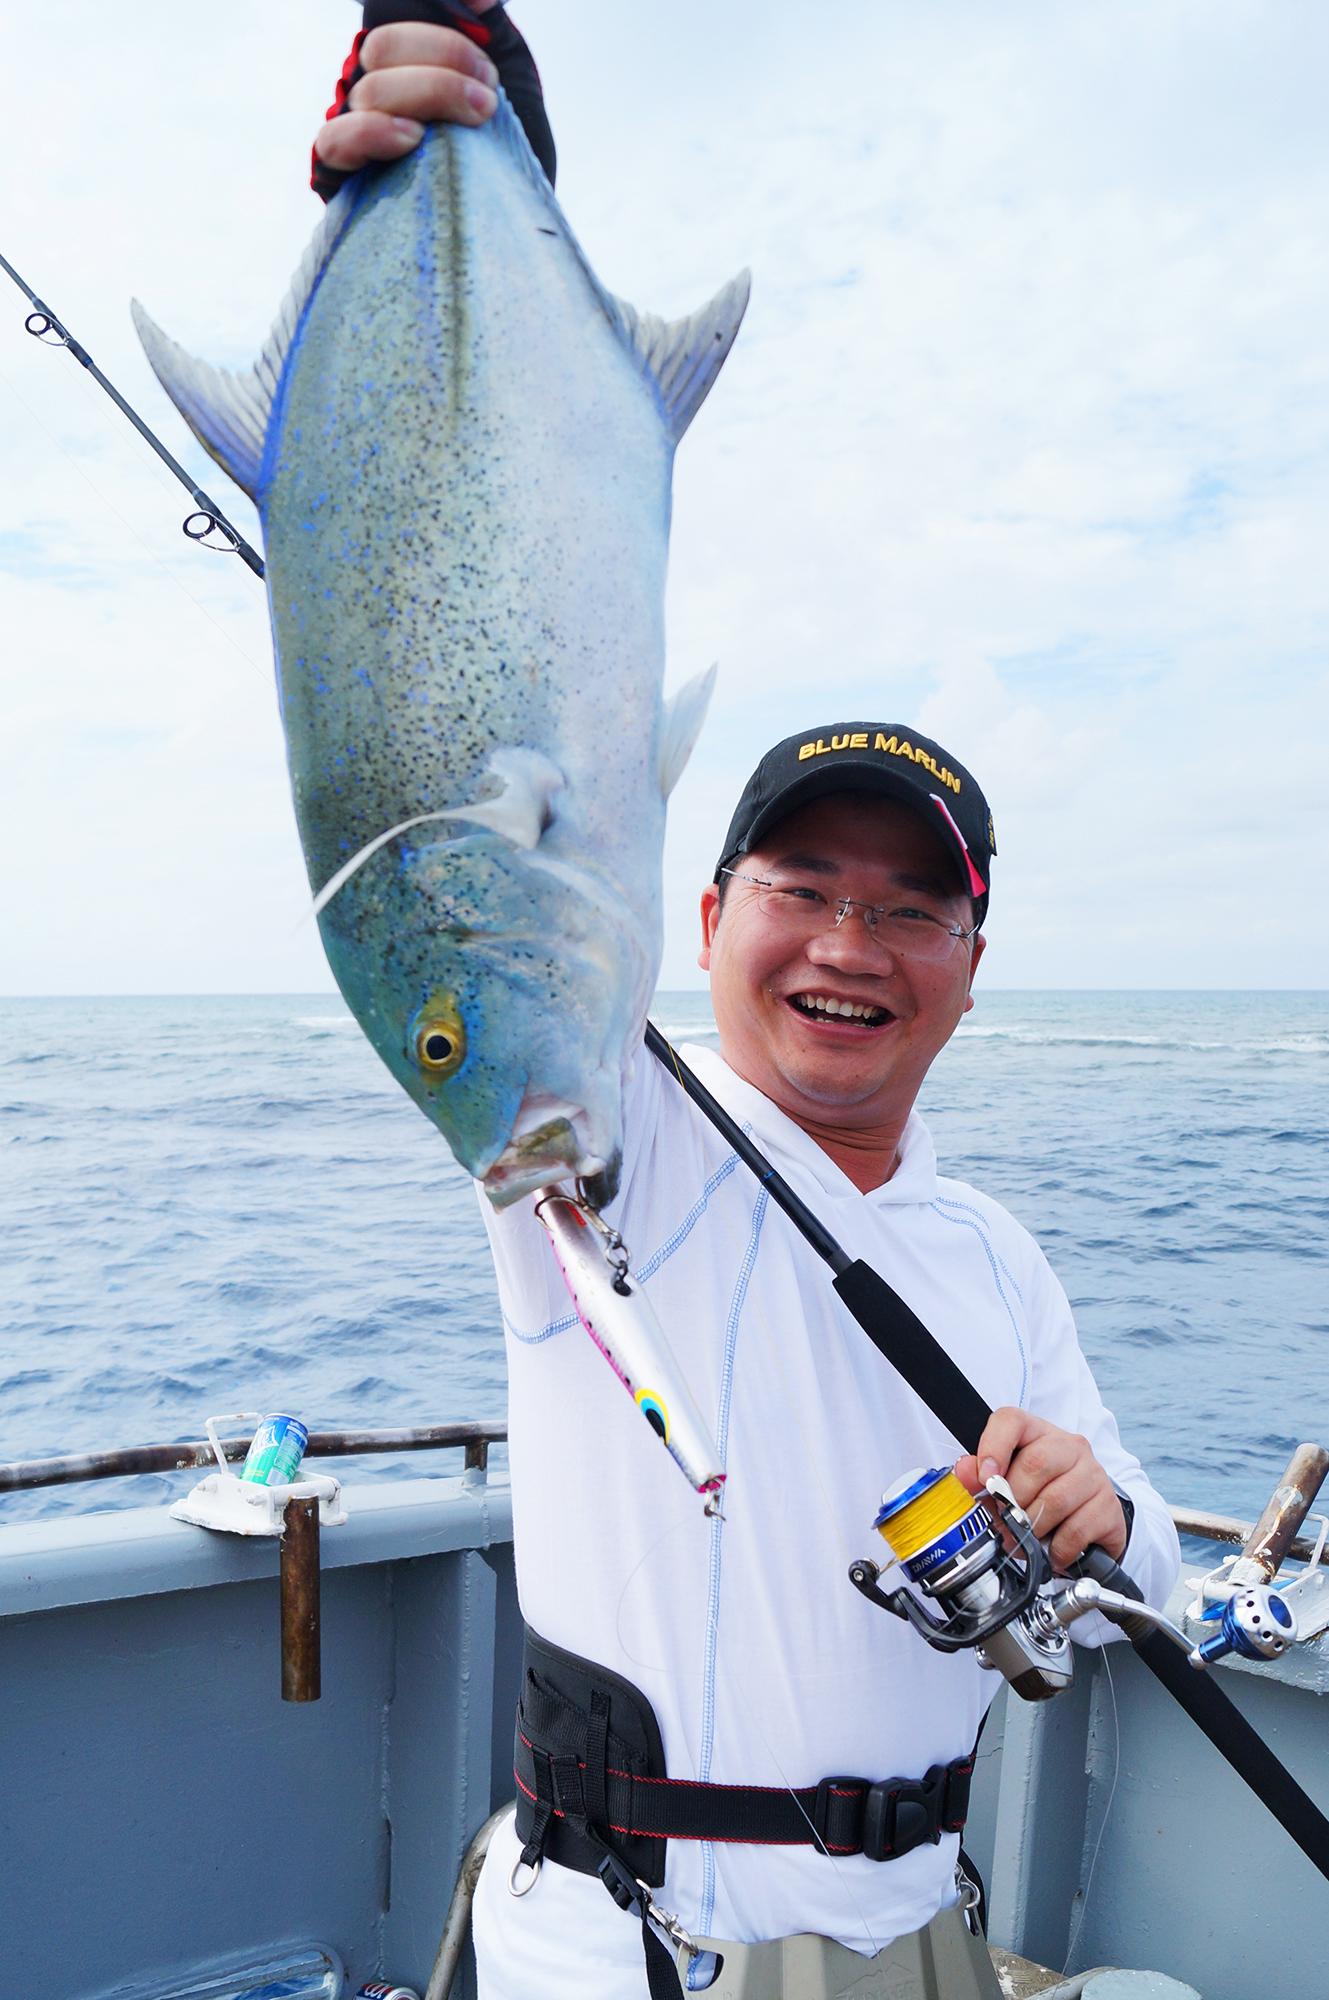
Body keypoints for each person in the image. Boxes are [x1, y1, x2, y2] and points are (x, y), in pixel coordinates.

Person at [312, 18, 1181, 1999]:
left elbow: (1117, 1547)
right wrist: (466, 110)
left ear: (972, 958)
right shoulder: (591, 1125)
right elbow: (454, 775)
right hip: (612, 1957)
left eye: (908, 907)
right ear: (691, 917)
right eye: (801, 891)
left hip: (917, 1953)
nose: (847, 947)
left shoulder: (989, 1255)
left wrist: (1096, 1506)